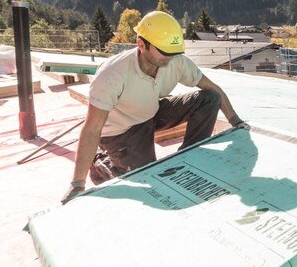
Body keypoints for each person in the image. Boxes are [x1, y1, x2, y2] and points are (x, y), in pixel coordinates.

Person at [64, 11, 247, 203]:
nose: (170, 58)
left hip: (151, 113)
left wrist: (236, 122)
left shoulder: (175, 60)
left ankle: (189, 155)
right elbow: (92, 128)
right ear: (141, 44)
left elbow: (214, 89)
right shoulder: (112, 74)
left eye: (174, 52)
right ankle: (101, 162)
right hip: (121, 132)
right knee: (147, 177)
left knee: (209, 98)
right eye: (164, 52)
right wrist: (77, 184)